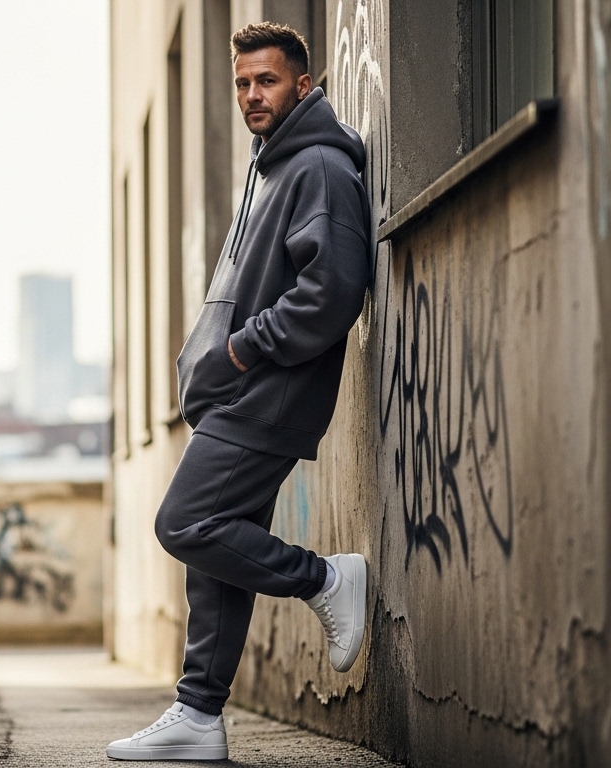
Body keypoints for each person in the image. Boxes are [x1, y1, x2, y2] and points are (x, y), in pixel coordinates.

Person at [105, 22, 373, 762]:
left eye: (268, 81)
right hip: (240, 394)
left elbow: (332, 290)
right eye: (243, 83)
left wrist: (245, 349)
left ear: (303, 86)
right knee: (215, 558)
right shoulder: (273, 166)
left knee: (185, 522)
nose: (253, 95)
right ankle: (197, 716)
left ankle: (325, 578)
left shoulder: (316, 166)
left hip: (270, 392)